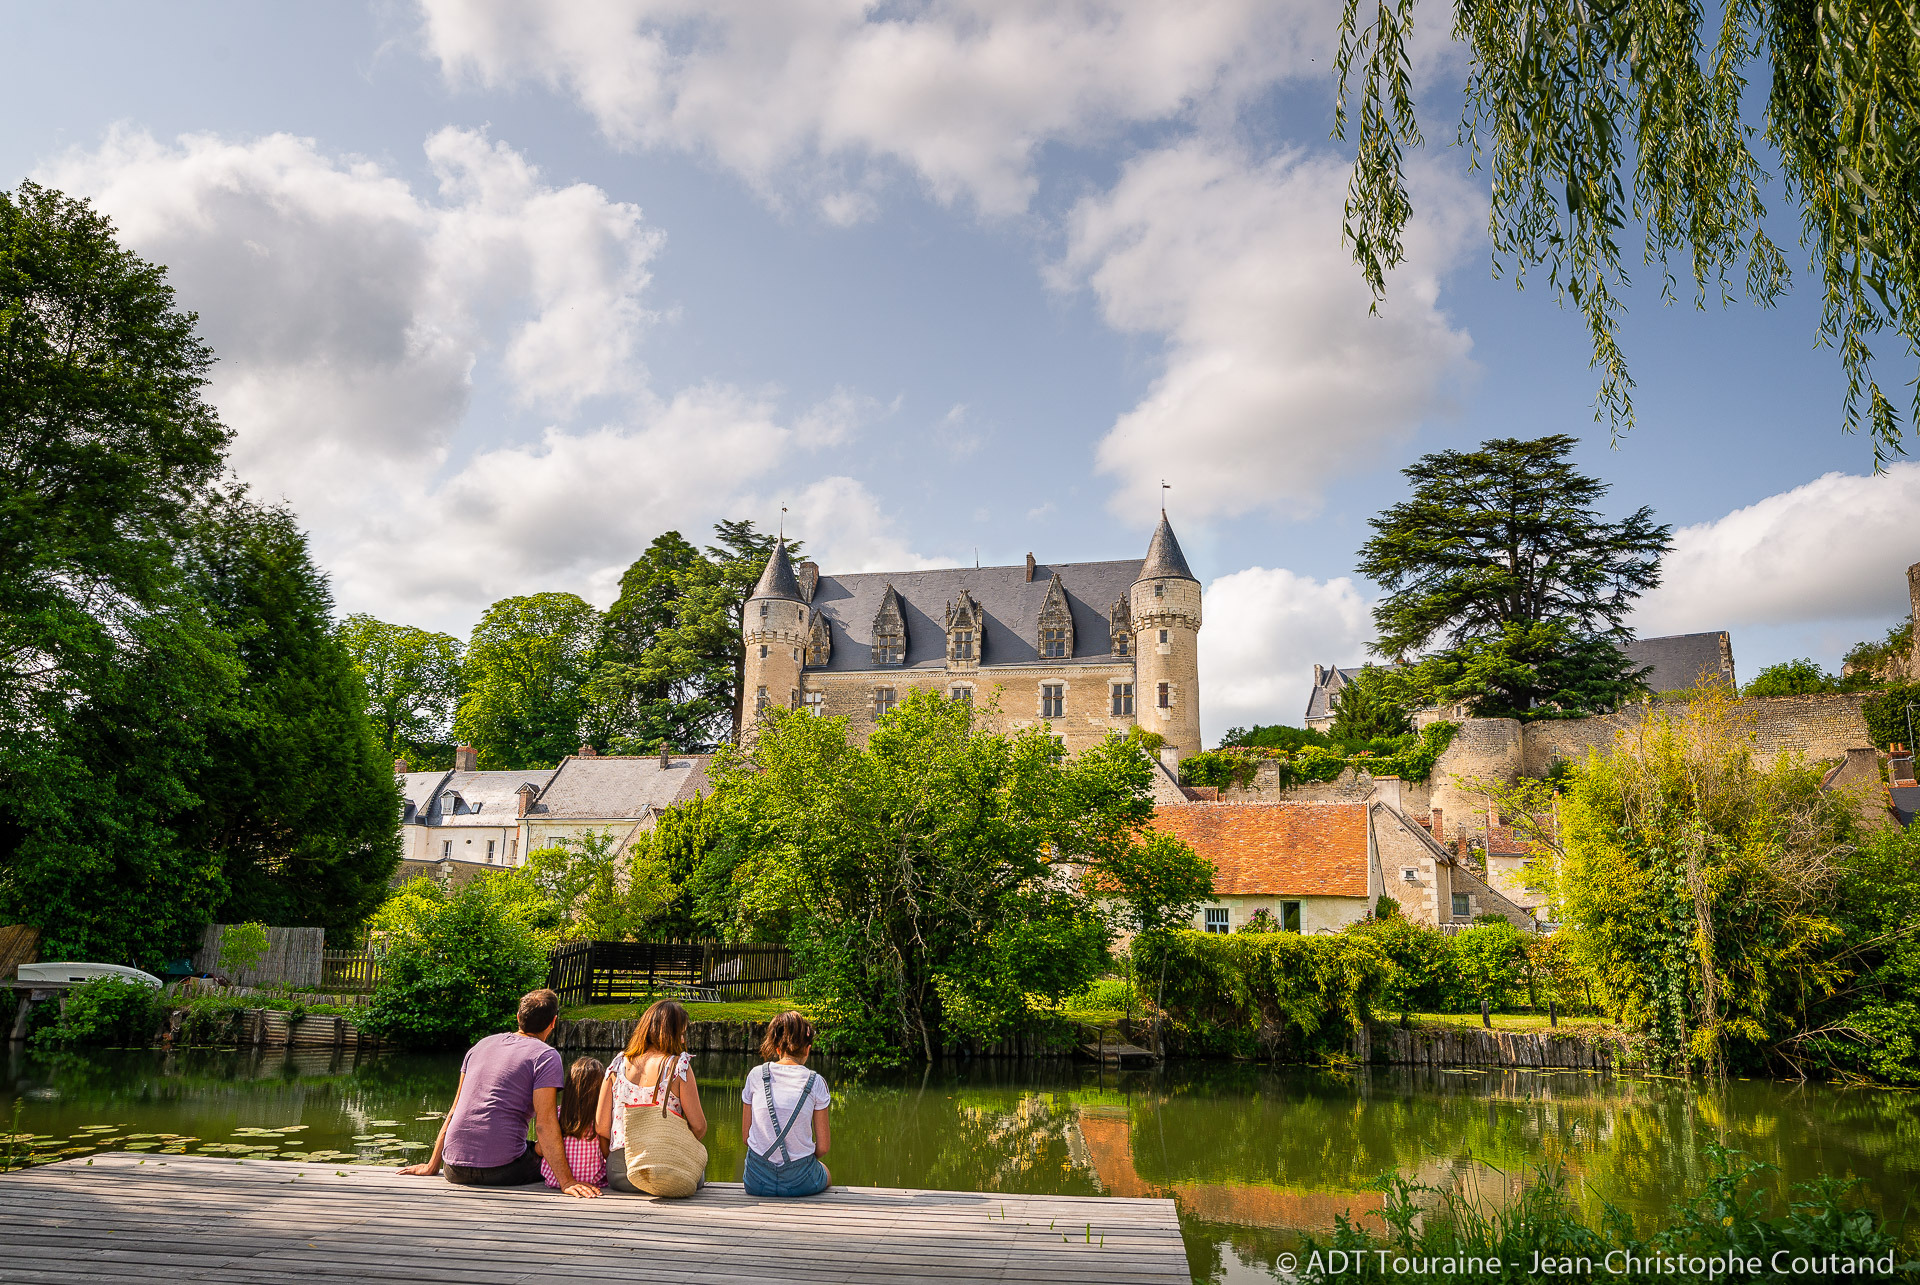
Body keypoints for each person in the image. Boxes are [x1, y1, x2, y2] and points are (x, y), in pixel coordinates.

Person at [397, 988, 599, 1198]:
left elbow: (454, 1110)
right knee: (546, 1148)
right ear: (553, 1022)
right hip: (503, 1170)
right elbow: (544, 1123)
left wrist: (432, 1166)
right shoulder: (546, 1056)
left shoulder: (480, 1045)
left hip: (453, 1169)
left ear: (519, 1017)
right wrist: (566, 1181)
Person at [599, 999, 708, 1195]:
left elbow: (601, 1126)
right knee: (697, 1175)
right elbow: (699, 1126)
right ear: (670, 1034)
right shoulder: (678, 1066)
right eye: (681, 1033)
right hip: (669, 1169)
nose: (683, 1040)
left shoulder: (617, 1064)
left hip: (621, 1172)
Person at [740, 1011, 832, 1198]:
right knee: (826, 1172)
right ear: (807, 1049)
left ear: (776, 1048)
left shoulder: (756, 1075)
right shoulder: (816, 1082)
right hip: (801, 1183)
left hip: (756, 1182)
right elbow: (823, 1148)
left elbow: (746, 1137)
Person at [542, 1056, 608, 1191]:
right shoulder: (598, 1119)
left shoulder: (558, 1114)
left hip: (554, 1179)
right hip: (592, 1180)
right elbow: (606, 1152)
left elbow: (541, 1147)